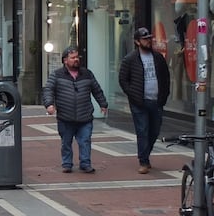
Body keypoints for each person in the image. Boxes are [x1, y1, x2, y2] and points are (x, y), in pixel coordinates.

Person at [42, 47, 108, 174]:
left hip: (85, 116)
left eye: (77, 57)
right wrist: (49, 104)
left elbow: (96, 90)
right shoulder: (57, 75)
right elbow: (48, 90)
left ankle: (85, 163)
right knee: (66, 142)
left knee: (85, 141)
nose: (76, 59)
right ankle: (67, 164)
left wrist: (103, 104)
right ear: (65, 60)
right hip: (65, 116)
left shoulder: (87, 74)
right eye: (73, 58)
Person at [119, 26, 170, 174]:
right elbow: (123, 80)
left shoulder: (158, 58)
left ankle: (145, 155)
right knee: (142, 131)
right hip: (139, 102)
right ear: (137, 41)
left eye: (149, 39)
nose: (148, 41)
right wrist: (133, 95)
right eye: (145, 39)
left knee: (154, 131)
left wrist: (164, 96)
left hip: (156, 101)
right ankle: (143, 161)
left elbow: (166, 78)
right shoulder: (130, 59)